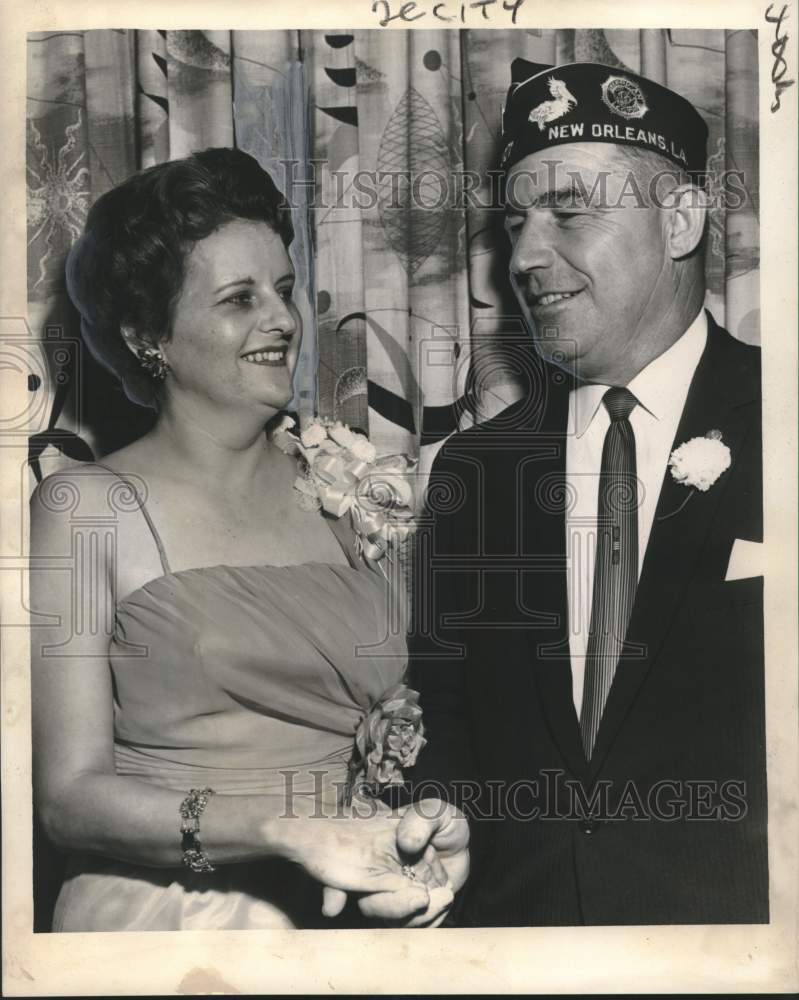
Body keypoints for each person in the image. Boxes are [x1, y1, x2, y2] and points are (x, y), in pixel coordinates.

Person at [29, 147, 467, 932]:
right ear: (147, 335)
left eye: (285, 290)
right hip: (178, 922)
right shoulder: (85, 505)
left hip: (355, 907)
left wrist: (423, 829)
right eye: (238, 298)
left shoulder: (351, 487)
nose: (282, 320)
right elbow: (71, 800)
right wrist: (284, 830)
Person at [407, 60, 766, 925]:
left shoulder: (786, 425)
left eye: (569, 212)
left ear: (678, 222)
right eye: (516, 222)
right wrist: (445, 820)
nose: (525, 257)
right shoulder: (472, 474)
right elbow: (445, 708)